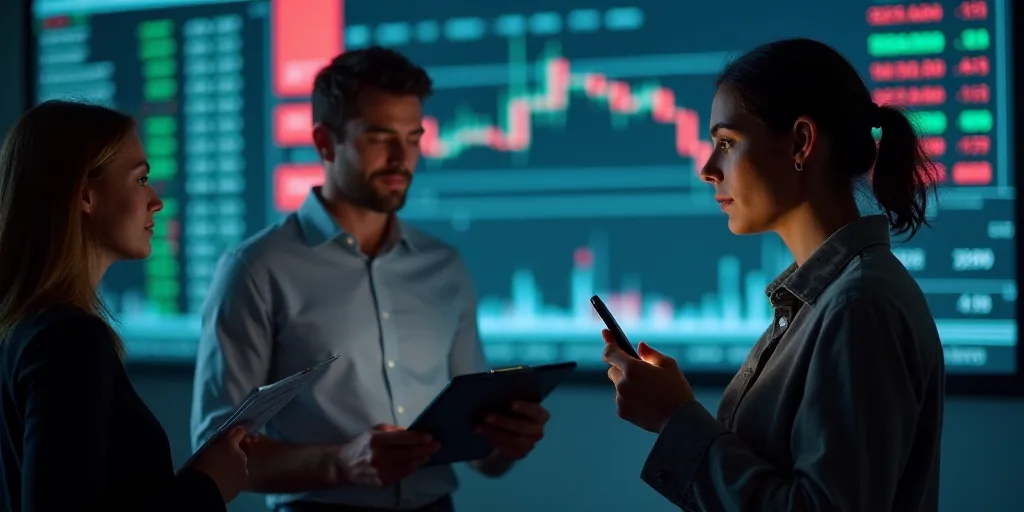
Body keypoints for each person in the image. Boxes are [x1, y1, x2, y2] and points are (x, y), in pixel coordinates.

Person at [190, 46, 550, 512]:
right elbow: (214, 451)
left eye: (413, 138)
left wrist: (506, 443)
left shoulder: (444, 266)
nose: (402, 158)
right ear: (325, 143)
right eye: (380, 138)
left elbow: (483, 458)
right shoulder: (256, 268)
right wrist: (340, 462)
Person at [602, 38, 945, 511]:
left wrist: (675, 418)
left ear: (801, 142)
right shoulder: (826, 299)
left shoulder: (858, 306)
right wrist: (676, 415)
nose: (708, 169)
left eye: (726, 143)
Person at [0, 100, 251, 512]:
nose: (157, 201)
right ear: (85, 194)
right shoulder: (69, 339)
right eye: (141, 179)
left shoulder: (23, 327)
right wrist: (208, 485)